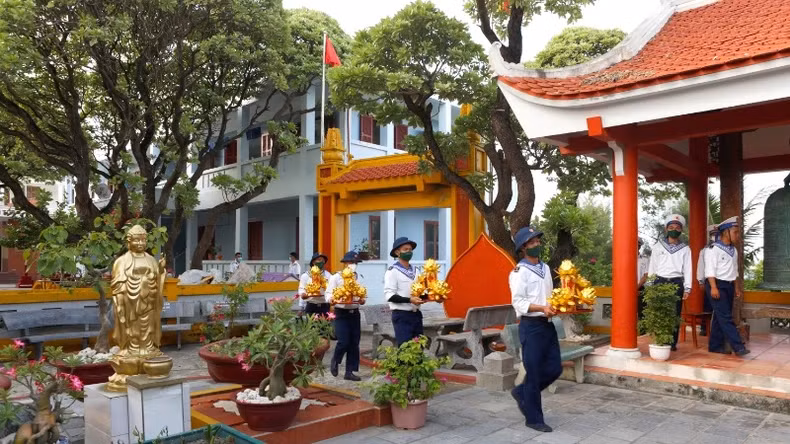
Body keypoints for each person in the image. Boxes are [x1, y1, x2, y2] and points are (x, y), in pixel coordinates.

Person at [509, 226, 561, 433]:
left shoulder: (545, 268)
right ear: (523, 248)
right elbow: (518, 302)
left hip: (547, 325)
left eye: (538, 242)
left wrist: (558, 304)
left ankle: (522, 392)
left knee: (555, 368)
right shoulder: (518, 272)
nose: (536, 245)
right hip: (531, 326)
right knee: (535, 373)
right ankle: (534, 418)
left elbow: (548, 295)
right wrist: (542, 308)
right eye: (532, 243)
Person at [704, 217, 750, 356]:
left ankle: (715, 346)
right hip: (716, 284)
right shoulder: (713, 249)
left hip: (729, 285)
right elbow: (710, 270)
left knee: (720, 317)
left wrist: (736, 288)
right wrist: (713, 287)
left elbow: (734, 271)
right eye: (735, 232)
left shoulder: (733, 250)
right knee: (726, 317)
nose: (737, 235)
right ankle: (738, 347)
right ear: (726, 232)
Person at [647, 214, 692, 351]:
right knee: (659, 312)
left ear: (681, 230)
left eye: (677, 227)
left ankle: (672, 343)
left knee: (674, 313)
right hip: (659, 281)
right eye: (671, 227)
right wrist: (650, 285)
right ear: (666, 229)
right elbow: (652, 266)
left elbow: (688, 268)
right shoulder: (658, 246)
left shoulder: (685, 249)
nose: (674, 229)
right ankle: (660, 340)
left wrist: (688, 288)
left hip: (676, 282)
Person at [326, 250, 365, 381]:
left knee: (354, 343)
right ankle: (335, 360)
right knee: (343, 341)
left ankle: (350, 371)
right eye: (350, 262)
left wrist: (362, 299)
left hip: (354, 312)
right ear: (345, 263)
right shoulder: (336, 277)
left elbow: (362, 294)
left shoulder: (359, 277)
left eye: (354, 262)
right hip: (341, 312)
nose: (352, 264)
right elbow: (328, 294)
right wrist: (332, 300)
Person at [383, 237, 425, 346]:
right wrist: (410, 300)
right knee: (405, 350)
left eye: (410, 249)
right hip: (402, 316)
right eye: (405, 249)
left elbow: (421, 291)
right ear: (397, 252)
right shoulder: (393, 271)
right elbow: (389, 295)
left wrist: (434, 297)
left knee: (419, 348)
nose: (409, 252)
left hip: (416, 315)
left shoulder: (416, 271)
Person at [697, 224, 718, 336]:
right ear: (710, 235)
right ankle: (704, 328)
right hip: (708, 281)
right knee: (707, 306)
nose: (715, 236)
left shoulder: (724, 249)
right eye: (713, 234)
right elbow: (701, 266)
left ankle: (716, 329)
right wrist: (700, 280)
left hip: (721, 280)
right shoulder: (704, 250)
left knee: (720, 307)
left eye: (716, 234)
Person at [298, 252, 332, 317]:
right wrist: (301, 308)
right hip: (311, 306)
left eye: (323, 260)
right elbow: (302, 289)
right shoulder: (306, 276)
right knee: (311, 326)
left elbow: (332, 290)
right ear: (313, 262)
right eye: (319, 260)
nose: (321, 261)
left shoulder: (328, 276)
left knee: (324, 326)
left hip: (324, 306)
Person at [637, 238, 649, 323]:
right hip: (626, 290)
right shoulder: (623, 258)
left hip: (640, 288)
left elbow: (646, 276)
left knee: (642, 313)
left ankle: (642, 333)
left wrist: (636, 287)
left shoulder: (645, 259)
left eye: (638, 245)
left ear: (640, 246)